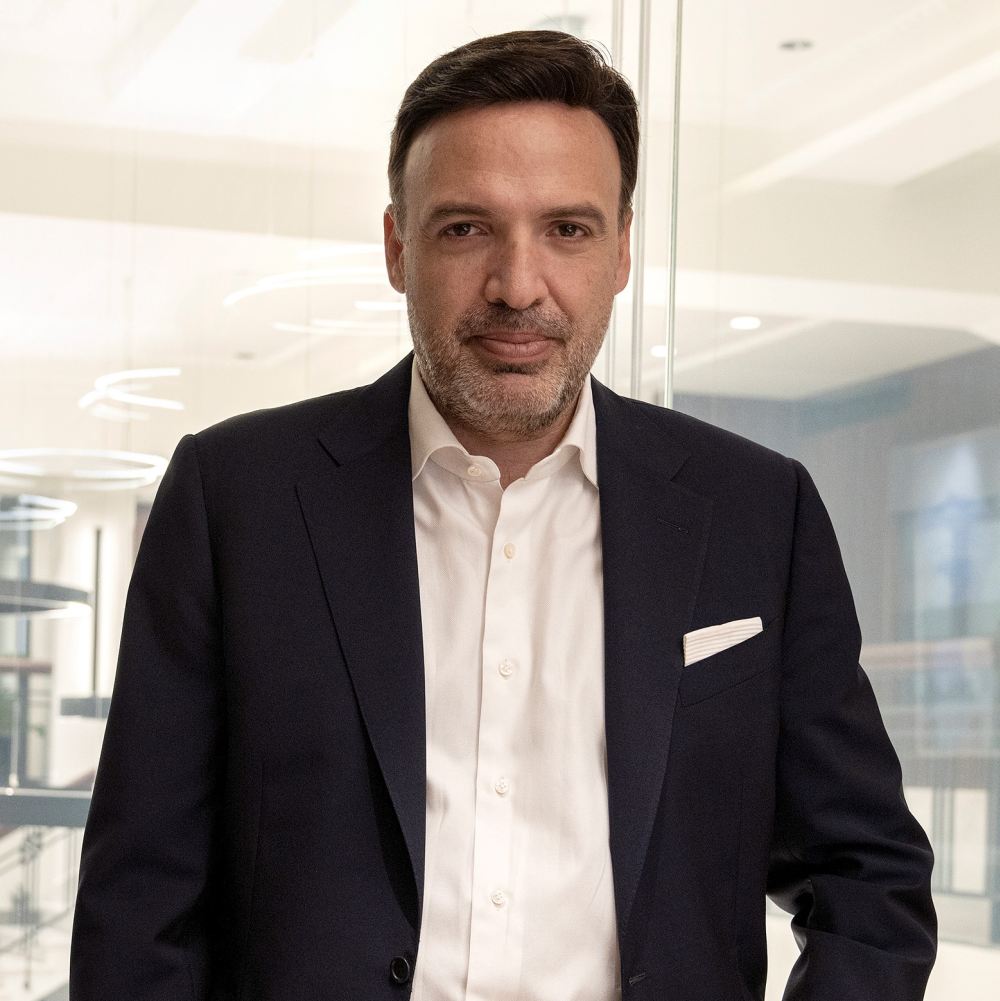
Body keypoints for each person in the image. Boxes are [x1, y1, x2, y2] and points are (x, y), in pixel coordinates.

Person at [70, 29, 936, 1001]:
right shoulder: (235, 498)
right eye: (465, 229)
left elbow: (870, 877)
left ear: (621, 250)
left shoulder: (757, 512)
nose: (518, 286)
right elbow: (138, 903)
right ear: (397, 246)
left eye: (567, 229)